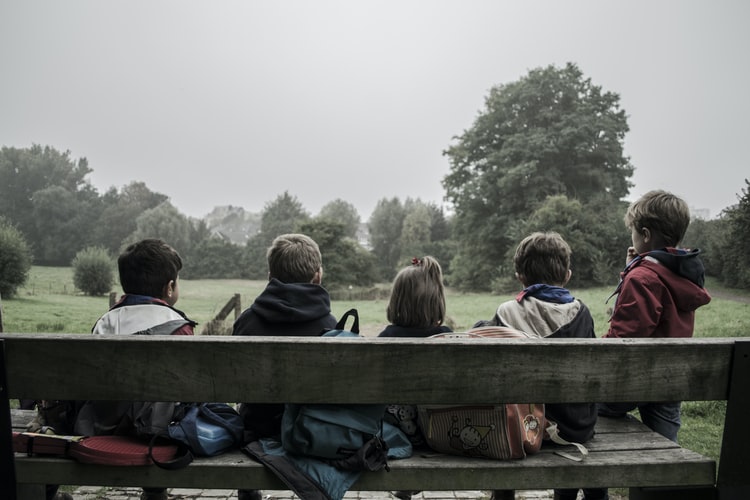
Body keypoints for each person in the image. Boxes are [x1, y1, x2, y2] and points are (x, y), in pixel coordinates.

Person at [50, 239, 195, 500]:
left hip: (103, 425)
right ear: (170, 287)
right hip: (156, 432)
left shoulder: (106, 322)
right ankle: (154, 491)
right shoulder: (179, 326)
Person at [477, 231, 606, 500]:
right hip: (575, 427)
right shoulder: (581, 313)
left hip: (521, 428)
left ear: (520, 276)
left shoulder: (506, 313)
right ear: (567, 275)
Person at [598, 190, 712, 443]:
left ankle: (595, 478)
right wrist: (634, 267)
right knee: (665, 443)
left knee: (582, 407)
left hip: (632, 380)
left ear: (645, 235)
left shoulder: (643, 278)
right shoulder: (682, 271)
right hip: (669, 380)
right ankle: (663, 476)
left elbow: (625, 337)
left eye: (634, 231)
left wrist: (599, 345)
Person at [233, 233, 337, 500]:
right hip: (310, 432)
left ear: (270, 275)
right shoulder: (330, 326)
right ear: (318, 276)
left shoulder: (247, 322)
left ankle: (248, 491)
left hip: (256, 429)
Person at [378, 256, 451, 500]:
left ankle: (405, 487)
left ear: (396, 300)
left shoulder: (384, 339)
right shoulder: (448, 339)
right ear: (436, 301)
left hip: (395, 434)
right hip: (442, 433)